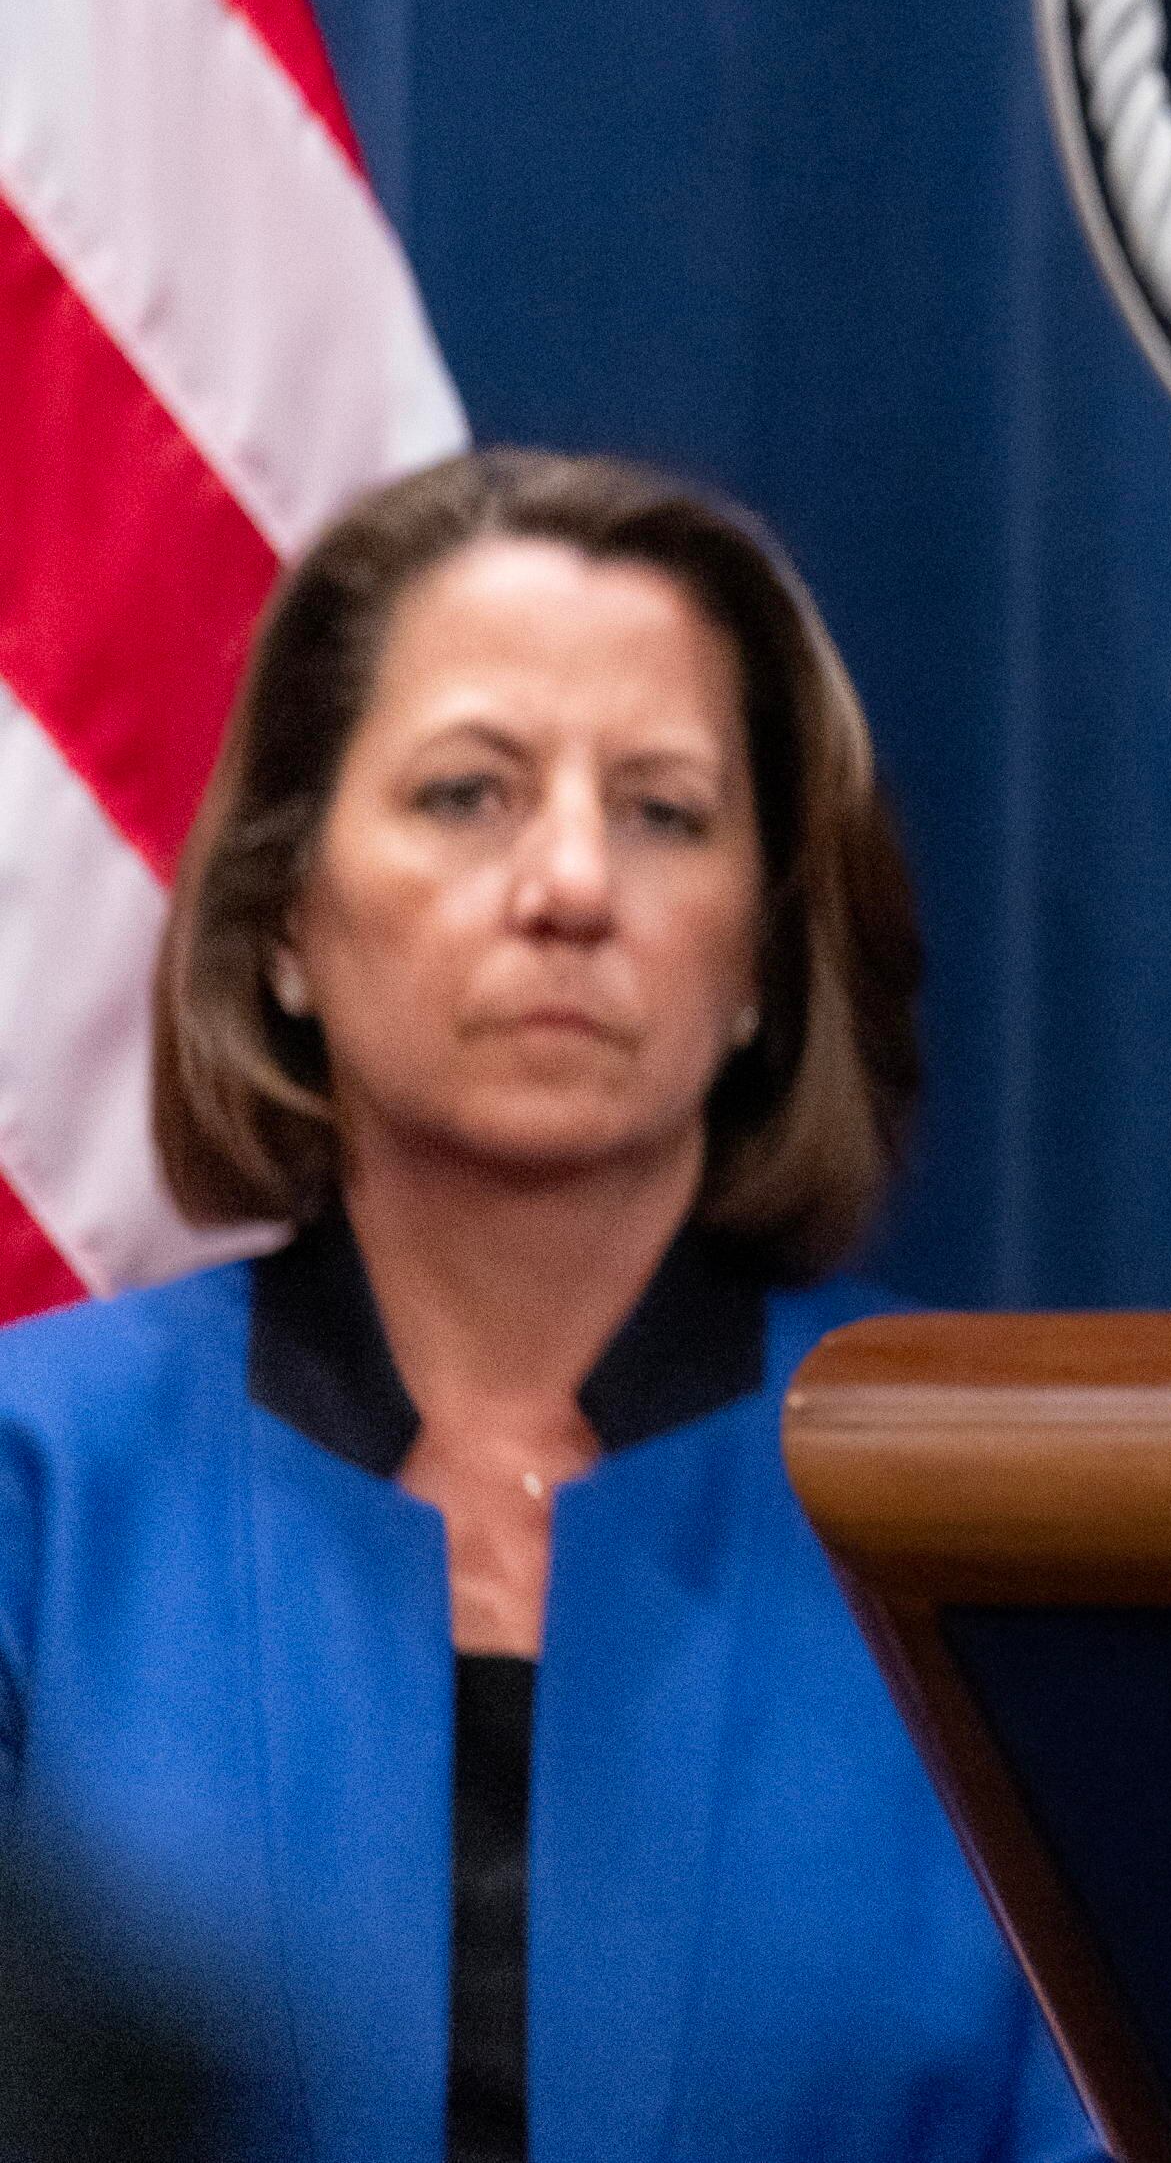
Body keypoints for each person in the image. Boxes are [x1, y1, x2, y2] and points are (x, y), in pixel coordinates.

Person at [0, 451, 1098, 2163]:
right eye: (467, 794)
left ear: (759, 964)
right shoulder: (36, 1489)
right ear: (285, 914)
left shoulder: (987, 1516)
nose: (572, 883)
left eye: (663, 809)